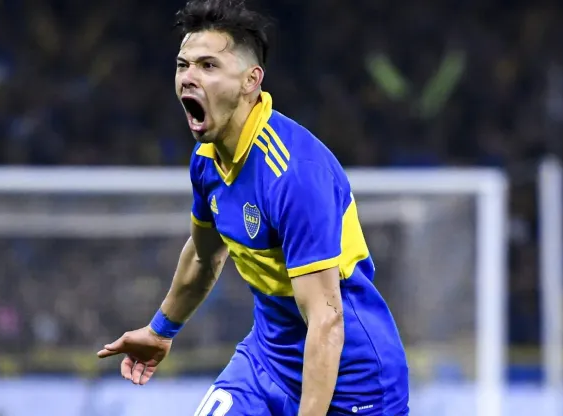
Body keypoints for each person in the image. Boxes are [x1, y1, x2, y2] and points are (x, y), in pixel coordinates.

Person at [97, 1, 410, 414]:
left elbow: (327, 319)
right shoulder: (207, 159)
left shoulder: (294, 174)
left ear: (251, 81)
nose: (189, 78)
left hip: (353, 382)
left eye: (208, 66)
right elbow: (204, 254)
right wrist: (161, 330)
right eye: (182, 65)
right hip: (266, 361)